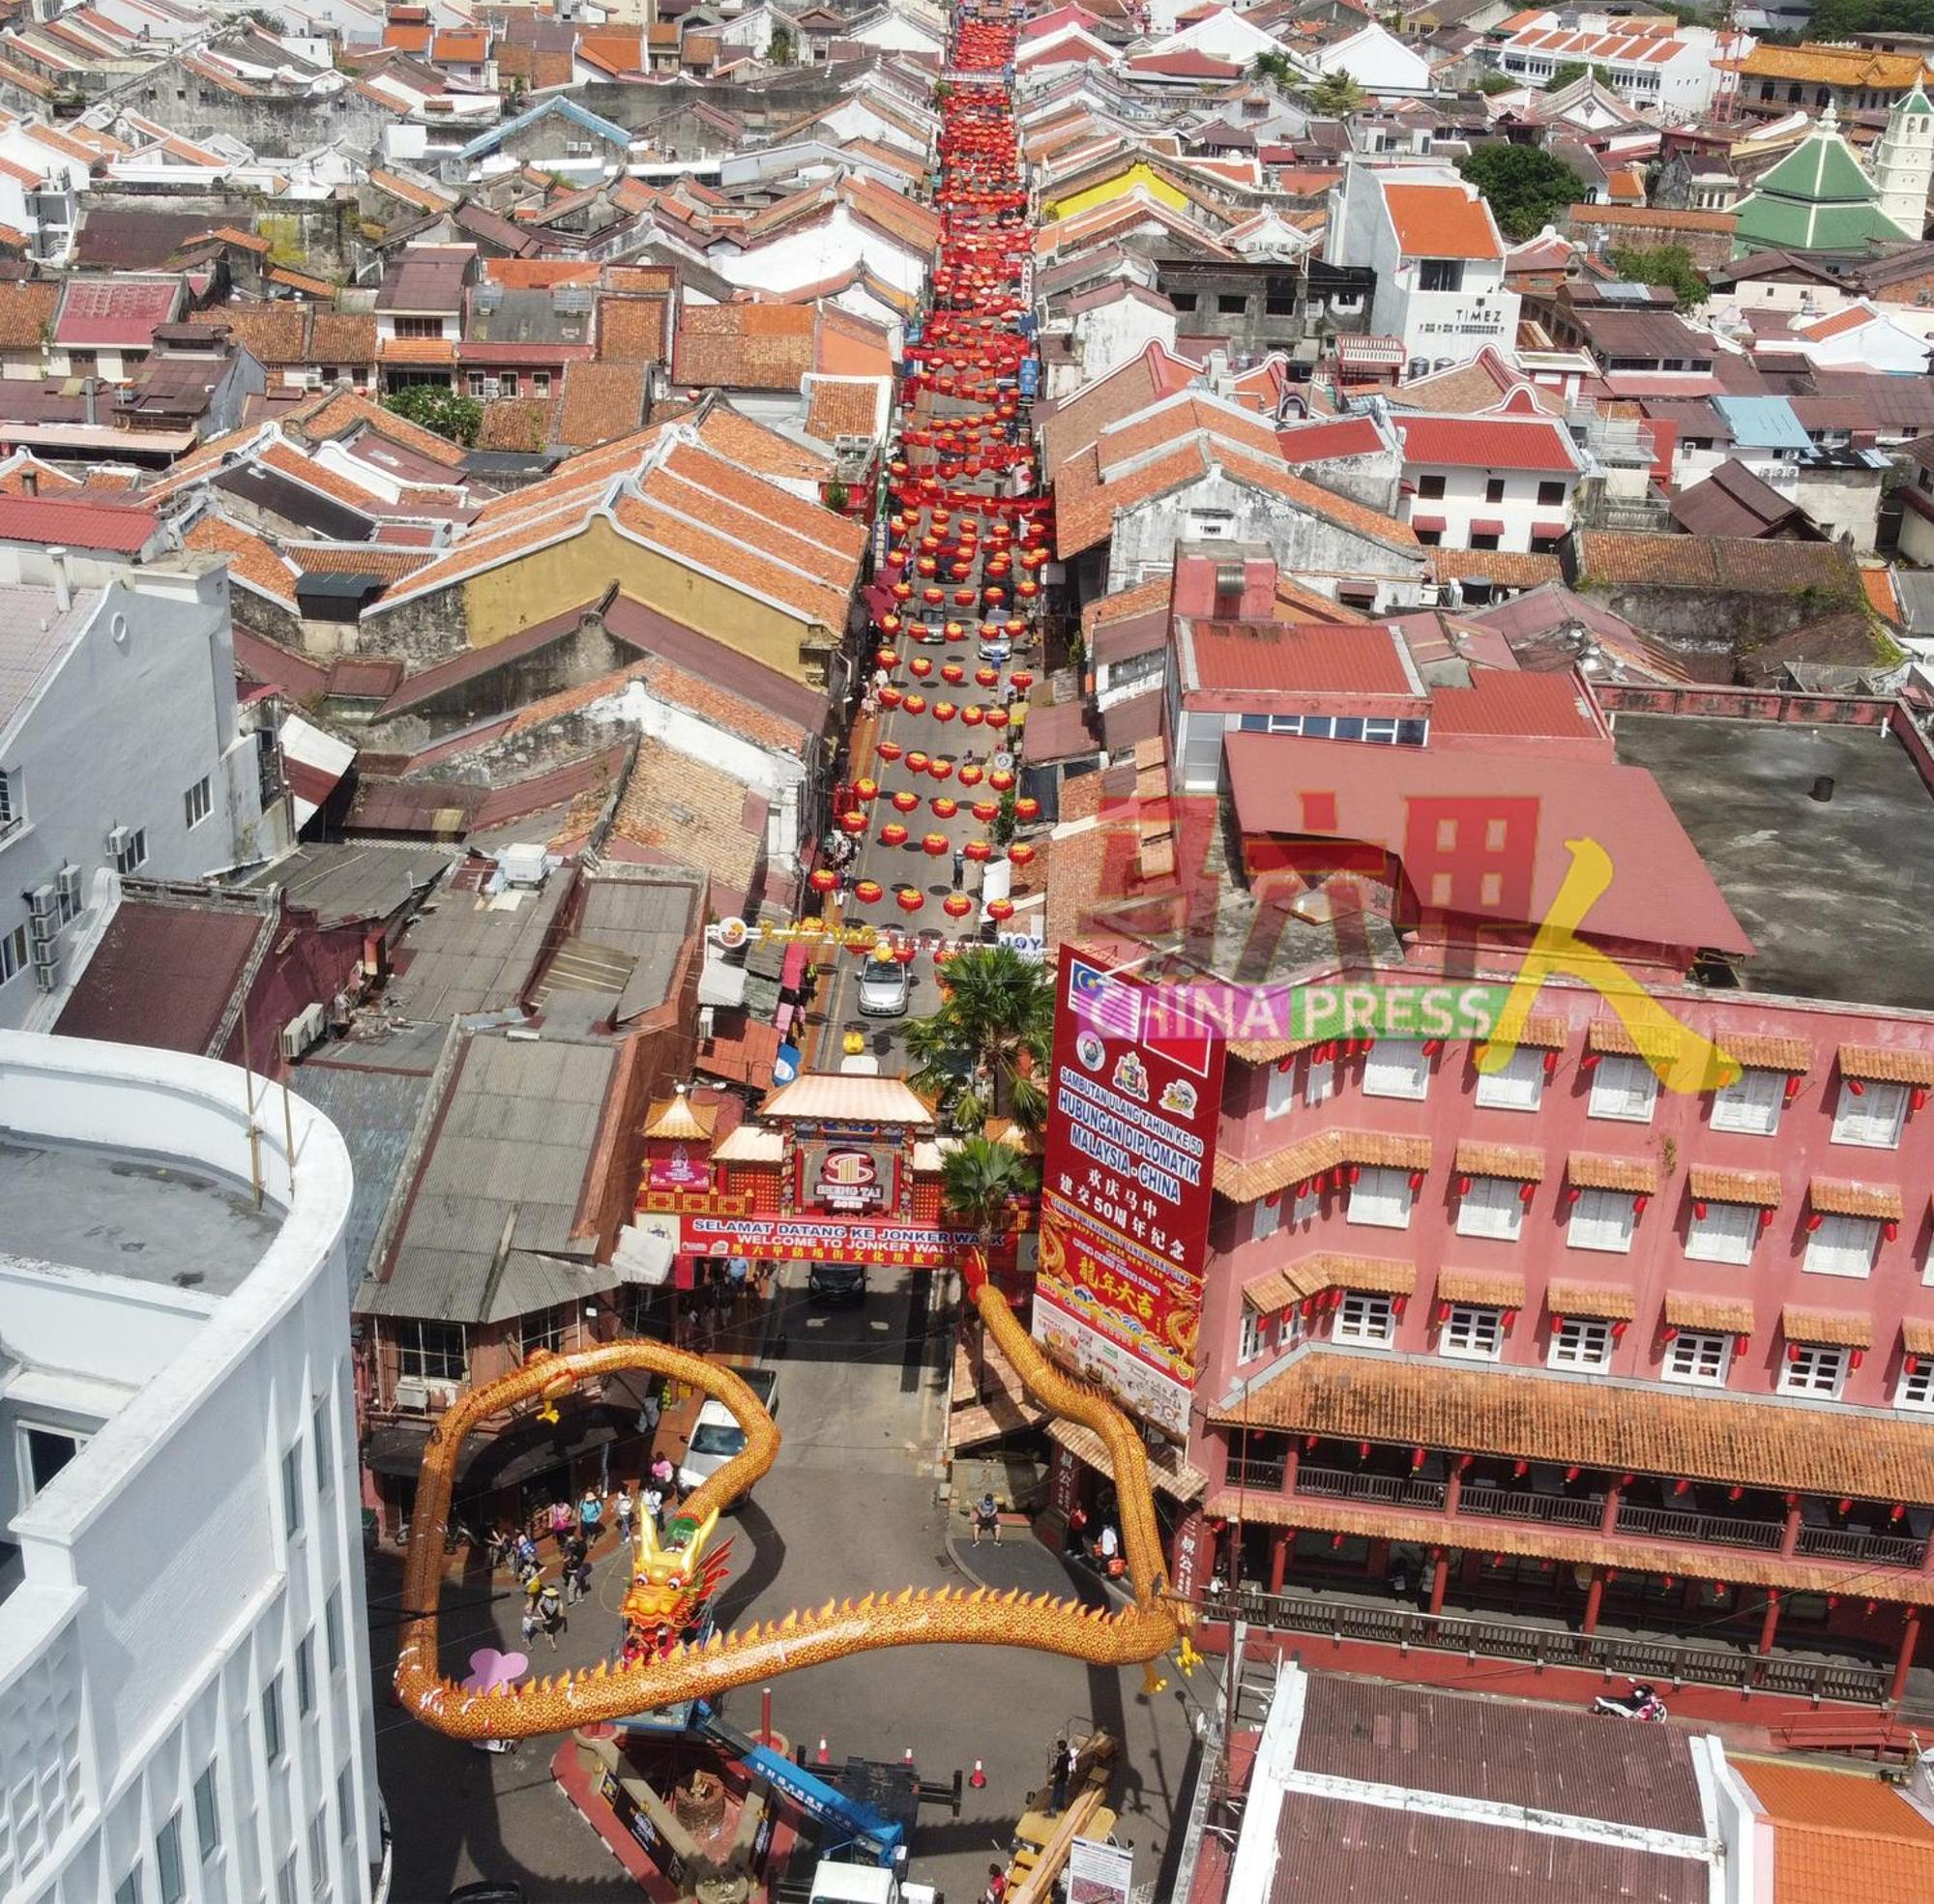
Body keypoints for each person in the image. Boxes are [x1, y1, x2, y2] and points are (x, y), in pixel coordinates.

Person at [1048, 1738, 1071, 1815]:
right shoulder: (1067, 1754)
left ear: (1060, 1748)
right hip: (1065, 1776)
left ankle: (1052, 1812)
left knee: (1055, 1795)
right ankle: (1061, 1805)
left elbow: (1058, 1770)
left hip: (1060, 1778)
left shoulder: (1060, 1759)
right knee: (1062, 1792)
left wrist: (1054, 1779)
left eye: (1058, 1747)